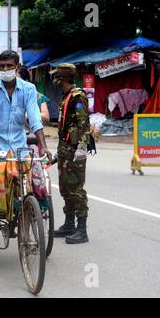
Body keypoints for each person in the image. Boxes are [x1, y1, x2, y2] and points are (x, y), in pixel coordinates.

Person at [0, 50, 52, 233]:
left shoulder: (28, 89)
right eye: (2, 66)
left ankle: (29, 215)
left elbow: (35, 119)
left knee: (32, 179)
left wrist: (43, 146)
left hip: (20, 145)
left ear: (17, 67)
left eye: (9, 66)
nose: (5, 69)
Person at [50, 63, 90, 244]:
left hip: (75, 152)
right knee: (65, 188)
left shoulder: (77, 96)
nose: (54, 80)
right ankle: (69, 224)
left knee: (76, 190)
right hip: (65, 150)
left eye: (57, 76)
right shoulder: (66, 96)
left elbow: (83, 124)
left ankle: (82, 230)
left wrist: (82, 148)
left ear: (63, 78)